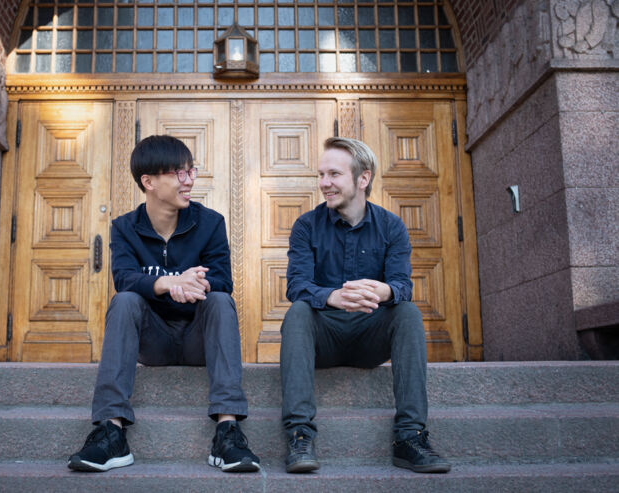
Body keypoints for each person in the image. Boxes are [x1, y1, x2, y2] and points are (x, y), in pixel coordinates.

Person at [68, 135, 260, 473]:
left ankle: (228, 431)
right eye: (178, 173)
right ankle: (110, 431)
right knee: (125, 300)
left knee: (219, 299)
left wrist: (194, 284)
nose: (189, 180)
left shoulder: (210, 222)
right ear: (149, 181)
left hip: (199, 339)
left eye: (191, 171)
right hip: (153, 341)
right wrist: (168, 283)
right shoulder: (124, 228)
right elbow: (125, 278)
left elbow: (223, 280)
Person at [280, 137, 450, 474]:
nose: (324, 183)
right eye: (321, 174)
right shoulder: (306, 226)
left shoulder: (392, 226)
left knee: (407, 312)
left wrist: (384, 291)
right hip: (323, 338)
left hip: (371, 337)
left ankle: (410, 437)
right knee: (298, 311)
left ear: (363, 178)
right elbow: (297, 285)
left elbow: (403, 285)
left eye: (333, 174)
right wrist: (333, 297)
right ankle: (299, 434)